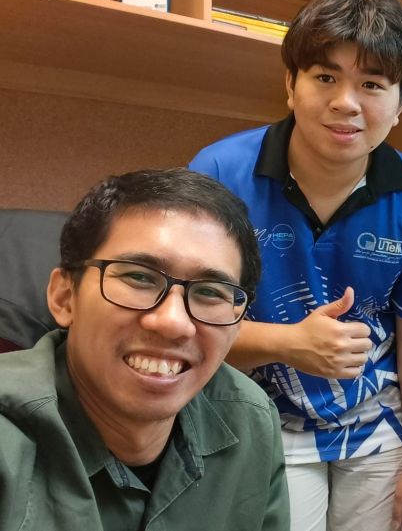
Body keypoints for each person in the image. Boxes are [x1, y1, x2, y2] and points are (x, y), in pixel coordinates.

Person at [189, 0, 402, 531]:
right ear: (291, 84)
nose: (346, 103)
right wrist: (289, 344)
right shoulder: (217, 174)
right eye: (326, 77)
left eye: (372, 85)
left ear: (401, 104)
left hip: (377, 423)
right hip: (258, 414)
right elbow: (188, 320)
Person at [0, 168, 288, 530]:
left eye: (210, 292)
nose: (173, 322)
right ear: (65, 296)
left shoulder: (250, 419)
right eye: (138, 277)